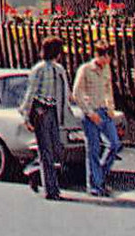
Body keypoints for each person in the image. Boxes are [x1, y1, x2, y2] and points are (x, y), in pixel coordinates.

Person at [19, 38, 72, 201]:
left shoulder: (59, 69)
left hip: (53, 111)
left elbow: (65, 93)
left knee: (56, 149)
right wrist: (26, 115)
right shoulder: (39, 69)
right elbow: (31, 93)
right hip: (41, 111)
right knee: (46, 151)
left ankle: (34, 173)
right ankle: (51, 190)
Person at [72, 44, 123, 198]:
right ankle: (95, 185)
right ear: (100, 56)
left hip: (104, 111)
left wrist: (110, 106)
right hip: (91, 113)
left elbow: (108, 89)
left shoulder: (106, 69)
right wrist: (88, 112)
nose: (109, 60)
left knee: (114, 144)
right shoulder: (85, 69)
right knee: (93, 149)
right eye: (107, 56)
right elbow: (76, 93)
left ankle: (98, 175)